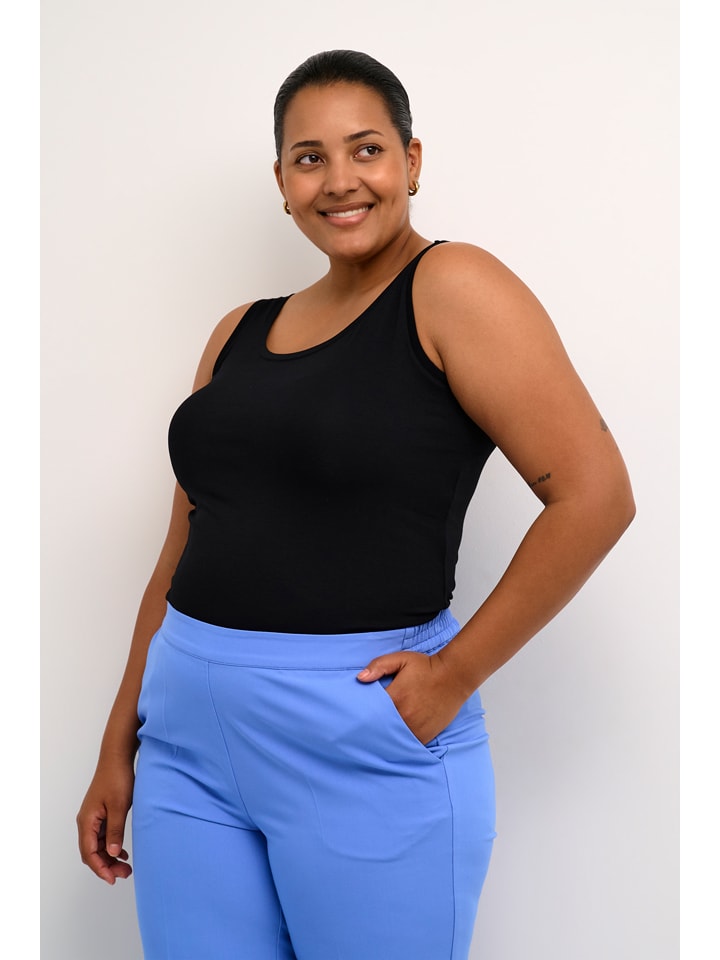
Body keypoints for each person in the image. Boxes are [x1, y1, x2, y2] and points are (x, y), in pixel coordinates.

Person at [76, 49, 635, 960]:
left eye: (366, 149)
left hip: (356, 737)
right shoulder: (239, 331)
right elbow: (182, 547)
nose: (340, 180)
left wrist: (452, 674)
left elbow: (596, 495)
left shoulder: (454, 289)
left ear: (412, 161)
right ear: (282, 182)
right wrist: (119, 742)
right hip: (184, 743)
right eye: (310, 158)